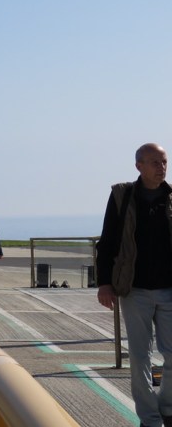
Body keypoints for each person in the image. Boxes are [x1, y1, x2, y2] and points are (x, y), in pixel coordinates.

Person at [97, 143, 172, 427]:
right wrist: (104, 283)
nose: (161, 167)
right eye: (155, 162)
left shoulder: (171, 196)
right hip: (135, 289)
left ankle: (168, 409)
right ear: (139, 166)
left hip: (169, 289)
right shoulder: (122, 196)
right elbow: (107, 242)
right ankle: (150, 419)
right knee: (140, 357)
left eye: (164, 161)